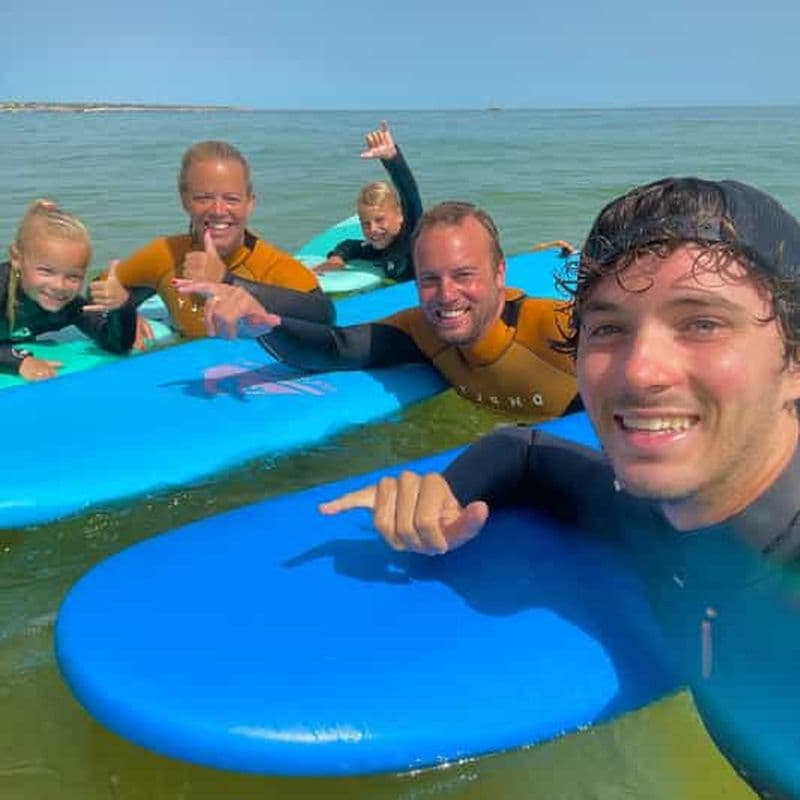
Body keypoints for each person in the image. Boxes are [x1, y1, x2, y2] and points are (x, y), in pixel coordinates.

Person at [319, 177, 800, 798]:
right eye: (608, 329)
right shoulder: (654, 511)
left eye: (702, 323)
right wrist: (445, 494)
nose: (640, 371)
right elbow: (524, 452)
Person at [173, 201, 581, 422]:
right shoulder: (424, 329)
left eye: (464, 275)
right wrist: (264, 324)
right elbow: (336, 348)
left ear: (499, 273)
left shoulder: (557, 325)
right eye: (429, 279)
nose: (446, 295)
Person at [88, 140, 334, 341]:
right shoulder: (165, 254)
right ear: (185, 201)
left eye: (232, 199)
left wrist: (226, 280)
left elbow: (325, 315)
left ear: (250, 203)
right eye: (203, 198)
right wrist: (125, 312)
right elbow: (97, 289)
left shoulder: (273, 266)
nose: (218, 210)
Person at [0, 200, 136, 381]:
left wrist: (122, 306)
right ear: (17, 258)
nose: (59, 286)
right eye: (46, 271)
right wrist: (17, 360)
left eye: (73, 276)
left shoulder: (69, 306)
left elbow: (117, 345)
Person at [312, 121, 422, 283]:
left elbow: (410, 195)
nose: (373, 230)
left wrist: (392, 159)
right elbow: (350, 246)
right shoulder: (381, 246)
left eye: (380, 220)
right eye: (365, 224)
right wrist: (336, 259)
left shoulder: (413, 237)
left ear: (400, 215)